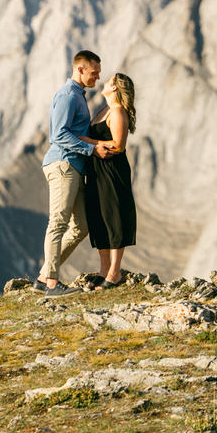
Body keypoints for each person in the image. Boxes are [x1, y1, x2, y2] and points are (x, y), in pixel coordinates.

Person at [34, 50, 111, 295]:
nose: (97, 78)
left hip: (73, 167)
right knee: (58, 222)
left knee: (81, 226)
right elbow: (58, 134)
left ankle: (44, 276)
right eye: (94, 72)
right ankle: (52, 284)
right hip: (63, 165)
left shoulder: (78, 96)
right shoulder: (68, 95)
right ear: (80, 69)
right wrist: (91, 149)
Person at [85, 72, 137, 287]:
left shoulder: (117, 112)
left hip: (111, 171)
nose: (104, 82)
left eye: (109, 81)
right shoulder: (103, 110)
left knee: (114, 217)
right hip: (97, 170)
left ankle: (114, 273)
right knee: (100, 218)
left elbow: (118, 145)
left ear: (115, 88)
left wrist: (87, 141)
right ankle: (104, 269)